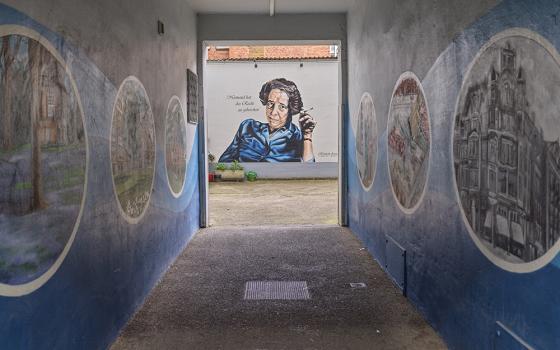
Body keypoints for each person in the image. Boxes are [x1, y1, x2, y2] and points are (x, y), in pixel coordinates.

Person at [218, 78, 316, 162]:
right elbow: (224, 161)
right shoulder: (248, 127)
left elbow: (309, 169)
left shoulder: (297, 136)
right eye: (270, 104)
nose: (273, 112)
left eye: (282, 107)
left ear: (291, 110)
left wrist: (307, 135)